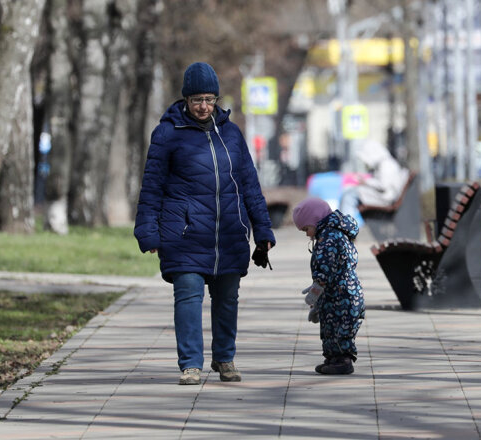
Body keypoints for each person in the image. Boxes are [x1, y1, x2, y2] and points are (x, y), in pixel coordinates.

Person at [134, 62, 275, 385]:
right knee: (188, 295)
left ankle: (225, 358)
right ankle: (190, 364)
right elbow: (152, 186)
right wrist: (148, 230)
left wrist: (263, 230)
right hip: (183, 232)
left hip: (228, 232)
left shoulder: (230, 133)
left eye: (209, 99)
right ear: (185, 99)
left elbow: (250, 185)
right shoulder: (168, 133)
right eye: (197, 99)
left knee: (227, 299)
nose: (203, 106)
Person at [292, 197, 364, 375]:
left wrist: (315, 292)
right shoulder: (329, 234)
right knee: (329, 326)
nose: (308, 234)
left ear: (315, 219)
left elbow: (325, 269)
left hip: (343, 294)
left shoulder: (329, 238)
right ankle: (332, 358)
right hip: (336, 293)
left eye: (306, 229)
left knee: (340, 328)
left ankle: (343, 361)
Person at [339, 139, 410, 225]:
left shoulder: (386, 165)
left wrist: (366, 182)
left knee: (349, 196)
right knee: (350, 193)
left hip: (385, 198)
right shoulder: (386, 163)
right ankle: (345, 224)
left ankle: (345, 226)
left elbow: (383, 185)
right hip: (385, 196)